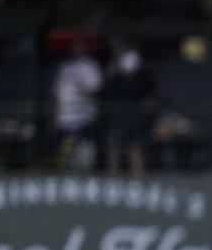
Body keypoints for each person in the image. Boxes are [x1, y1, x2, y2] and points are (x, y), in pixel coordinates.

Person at [101, 42, 158, 175]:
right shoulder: (113, 72)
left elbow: (151, 97)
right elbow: (104, 89)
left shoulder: (144, 75)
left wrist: (147, 107)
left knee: (135, 149)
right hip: (116, 116)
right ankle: (113, 179)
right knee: (113, 149)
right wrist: (114, 68)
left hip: (135, 118)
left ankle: (138, 180)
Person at [53, 35, 103, 169]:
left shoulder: (90, 65)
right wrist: (56, 116)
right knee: (65, 153)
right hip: (65, 119)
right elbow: (58, 94)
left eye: (79, 45)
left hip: (84, 119)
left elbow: (96, 89)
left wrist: (81, 91)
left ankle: (85, 179)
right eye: (73, 46)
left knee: (85, 154)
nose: (75, 48)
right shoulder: (64, 66)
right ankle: (64, 178)